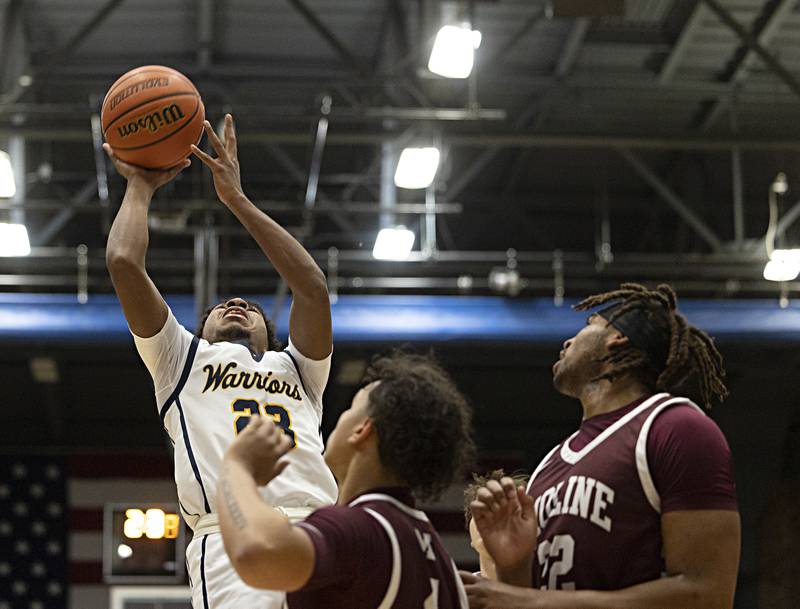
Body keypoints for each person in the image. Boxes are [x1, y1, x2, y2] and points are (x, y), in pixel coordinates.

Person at [104, 114, 337, 609]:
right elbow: (124, 262)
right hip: (231, 536)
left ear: (269, 335)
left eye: (250, 307)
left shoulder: (298, 369)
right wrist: (141, 184)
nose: (237, 305)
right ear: (199, 330)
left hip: (323, 534)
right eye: (220, 308)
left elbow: (313, 288)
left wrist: (237, 200)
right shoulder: (180, 359)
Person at [463, 283, 740, 609]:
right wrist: (513, 569)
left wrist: (533, 601)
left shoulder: (675, 428)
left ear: (617, 338)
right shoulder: (548, 466)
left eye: (588, 325)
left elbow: (707, 593)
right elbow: (524, 600)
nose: (568, 341)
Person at [218, 352, 475, 609]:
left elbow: (258, 553)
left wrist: (236, 467)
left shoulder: (362, 527)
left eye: (351, 408)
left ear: (362, 430)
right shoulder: (440, 558)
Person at [463, 469, 529, 580]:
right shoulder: (453, 593)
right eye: (483, 509)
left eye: (505, 509)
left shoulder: (548, 590)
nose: (492, 517)